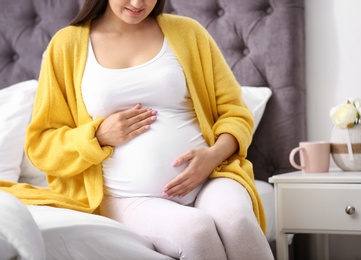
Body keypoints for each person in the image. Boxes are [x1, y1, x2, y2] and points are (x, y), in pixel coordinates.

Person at [19, 0, 274, 259]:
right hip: (127, 197)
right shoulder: (68, 45)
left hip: (209, 177)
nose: (138, 3)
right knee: (197, 231)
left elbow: (234, 111)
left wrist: (212, 157)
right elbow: (41, 143)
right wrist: (96, 136)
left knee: (239, 223)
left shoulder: (188, 32)